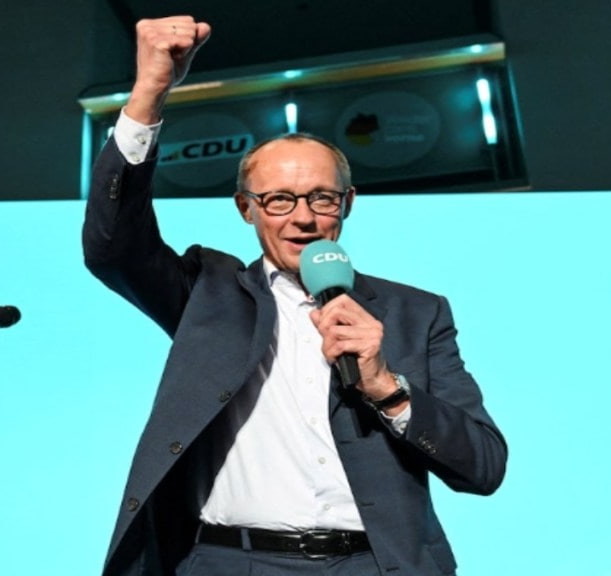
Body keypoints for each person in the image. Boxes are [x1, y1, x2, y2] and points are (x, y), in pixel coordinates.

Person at [82, 15, 507, 576]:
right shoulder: (207, 293)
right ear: (246, 208)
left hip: (372, 565)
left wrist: (388, 388)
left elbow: (483, 465)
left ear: (347, 204)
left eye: (321, 199)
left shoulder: (415, 313)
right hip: (229, 561)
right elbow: (114, 244)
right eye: (279, 200)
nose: (303, 218)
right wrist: (149, 94)